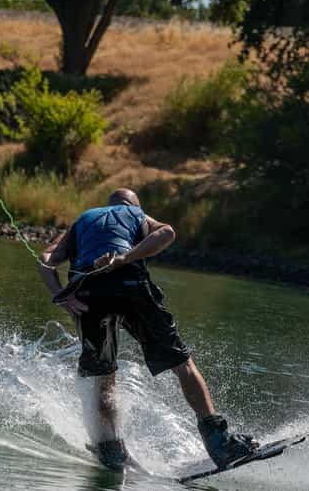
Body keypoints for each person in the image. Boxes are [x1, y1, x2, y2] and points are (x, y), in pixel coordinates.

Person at [37, 188, 257, 470]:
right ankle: (219, 443)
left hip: (86, 295)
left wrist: (61, 295)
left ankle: (110, 449)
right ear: (133, 205)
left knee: (104, 376)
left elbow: (45, 260)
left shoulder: (83, 220)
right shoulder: (135, 213)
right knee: (183, 364)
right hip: (131, 286)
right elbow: (167, 233)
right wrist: (126, 258)